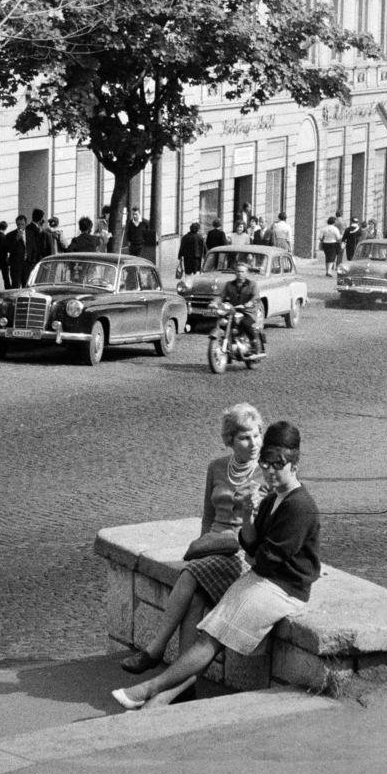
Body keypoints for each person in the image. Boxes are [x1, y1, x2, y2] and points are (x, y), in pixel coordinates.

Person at [114, 421, 318, 711]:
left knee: (211, 638)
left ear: (294, 464)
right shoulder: (273, 497)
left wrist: (253, 554)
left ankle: (148, 689)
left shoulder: (299, 506)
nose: (271, 471)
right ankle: (157, 704)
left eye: (279, 464)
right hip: (264, 580)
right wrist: (247, 512)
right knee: (211, 636)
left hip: (285, 589)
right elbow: (249, 544)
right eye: (266, 463)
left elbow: (264, 558)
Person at [120, 404, 268, 677]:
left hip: (241, 551)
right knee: (195, 599)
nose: (253, 443)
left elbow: (261, 531)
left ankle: (156, 649)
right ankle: (184, 683)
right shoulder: (217, 468)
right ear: (230, 440)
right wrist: (202, 548)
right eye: (245, 437)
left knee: (190, 575)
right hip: (214, 546)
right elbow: (208, 515)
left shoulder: (265, 474)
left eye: (256, 434)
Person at [217, 262, 265, 356]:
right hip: (234, 311)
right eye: (238, 271)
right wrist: (214, 303)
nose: (240, 273)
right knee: (224, 322)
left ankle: (255, 344)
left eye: (242, 271)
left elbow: (256, 297)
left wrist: (248, 304)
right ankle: (231, 343)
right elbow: (221, 296)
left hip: (249, 312)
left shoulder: (253, 285)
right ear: (235, 272)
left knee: (244, 323)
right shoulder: (229, 285)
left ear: (246, 273)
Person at [8, 215, 34, 287]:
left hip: (27, 265)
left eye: (22, 224)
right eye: (18, 224)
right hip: (16, 265)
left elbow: (34, 249)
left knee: (26, 286)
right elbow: (9, 249)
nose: (20, 227)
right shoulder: (10, 235)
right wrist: (16, 239)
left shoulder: (30, 234)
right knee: (15, 286)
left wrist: (33, 262)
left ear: (26, 224)